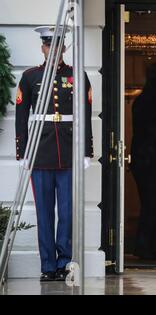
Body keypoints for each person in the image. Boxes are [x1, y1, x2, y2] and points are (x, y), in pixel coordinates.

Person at [15, 26, 93, 281]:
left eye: (58, 45)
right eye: (49, 45)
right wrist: (23, 152)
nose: (54, 50)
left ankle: (63, 263)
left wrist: (86, 150)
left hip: (69, 151)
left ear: (64, 48)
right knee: (44, 213)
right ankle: (48, 266)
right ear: (43, 48)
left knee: (68, 213)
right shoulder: (29, 77)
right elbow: (21, 117)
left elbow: (85, 116)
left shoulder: (77, 76)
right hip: (40, 152)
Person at [131, 63, 156, 260]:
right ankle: (149, 247)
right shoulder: (155, 102)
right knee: (154, 206)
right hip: (152, 161)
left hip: (143, 161)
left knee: (150, 205)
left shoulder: (141, 100)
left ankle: (148, 246)